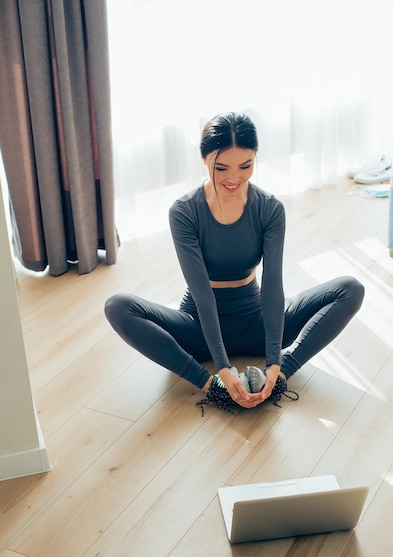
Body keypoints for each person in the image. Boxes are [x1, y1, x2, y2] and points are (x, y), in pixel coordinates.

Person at [105, 112, 364, 414]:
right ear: (204, 160)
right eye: (221, 167)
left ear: (255, 158)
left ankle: (279, 379)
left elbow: (272, 286)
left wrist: (275, 362)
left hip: (257, 322)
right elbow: (201, 292)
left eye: (246, 166)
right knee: (117, 306)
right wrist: (221, 371)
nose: (233, 178)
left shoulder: (269, 209)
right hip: (198, 329)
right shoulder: (184, 212)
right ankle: (211, 387)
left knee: (350, 289)